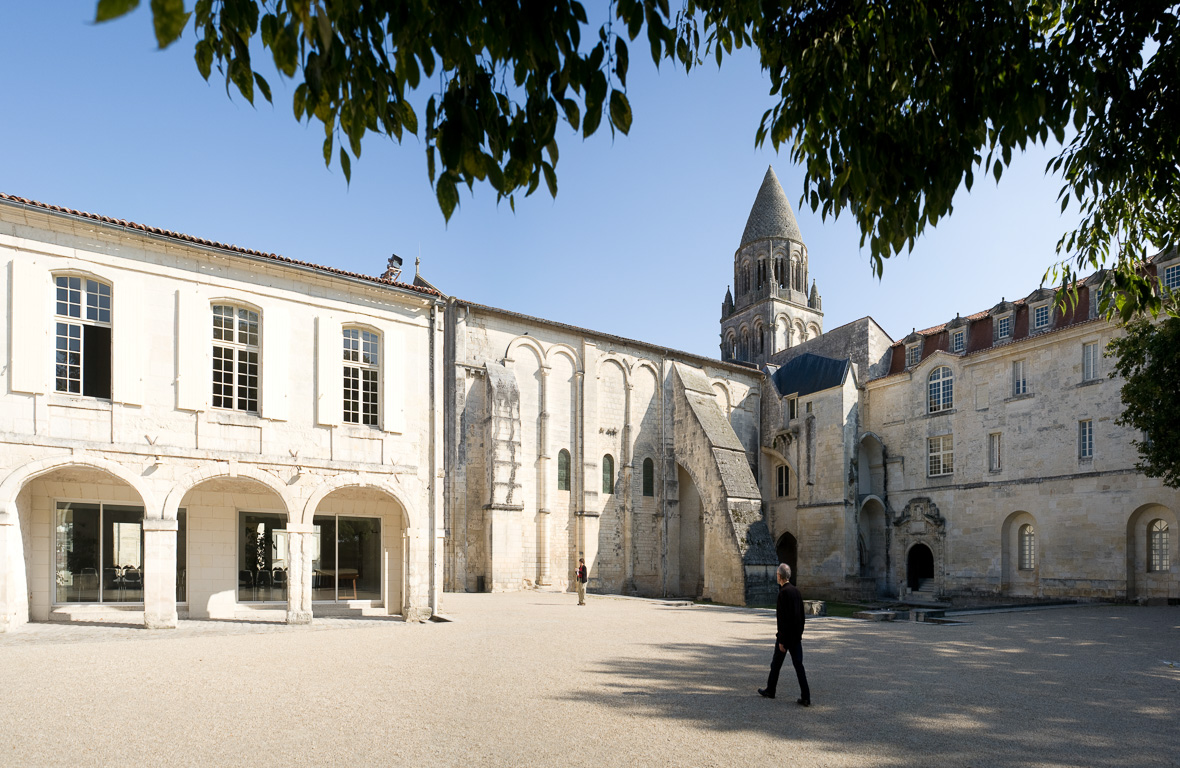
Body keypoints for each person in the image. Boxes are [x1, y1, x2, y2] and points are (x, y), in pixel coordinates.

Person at [758, 563, 811, 706]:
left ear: (780, 576)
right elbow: (801, 617)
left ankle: (771, 690)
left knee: (775, 664)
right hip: (795, 637)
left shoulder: (783, 593)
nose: (776, 576)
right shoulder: (796, 592)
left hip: (785, 637)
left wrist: (781, 640)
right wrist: (799, 635)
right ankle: (806, 696)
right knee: (799, 666)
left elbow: (781, 620)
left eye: (777, 574)